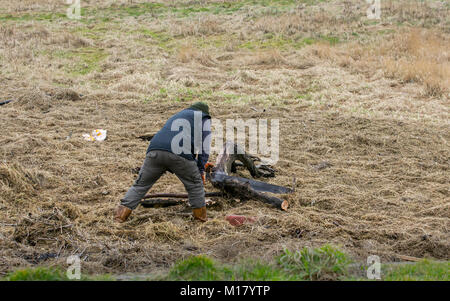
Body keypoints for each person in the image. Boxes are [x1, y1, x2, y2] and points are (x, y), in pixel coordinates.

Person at [114, 102, 211, 223]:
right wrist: (201, 170)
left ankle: (119, 218)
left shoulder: (179, 115)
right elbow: (204, 147)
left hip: (154, 151)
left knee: (140, 186)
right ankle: (201, 220)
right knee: (195, 186)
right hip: (179, 153)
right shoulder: (204, 118)